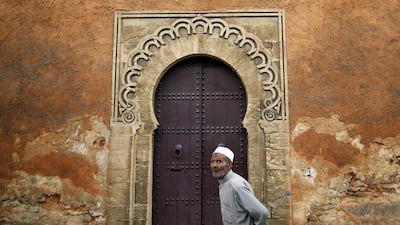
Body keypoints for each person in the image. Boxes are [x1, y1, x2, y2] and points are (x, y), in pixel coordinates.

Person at [210, 145, 268, 225]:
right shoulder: (225, 183)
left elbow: (262, 212)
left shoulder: (236, 185)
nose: (214, 165)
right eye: (212, 161)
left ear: (229, 165)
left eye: (219, 161)